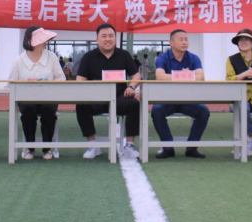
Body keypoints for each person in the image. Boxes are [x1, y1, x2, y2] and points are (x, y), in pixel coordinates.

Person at [76, 24, 141, 159]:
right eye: (104, 36)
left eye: (111, 36)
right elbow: (80, 79)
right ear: (97, 39)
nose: (108, 39)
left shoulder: (124, 55)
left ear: (115, 38)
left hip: (119, 97)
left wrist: (131, 87)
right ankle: (93, 145)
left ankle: (129, 145)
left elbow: (136, 75)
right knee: (81, 105)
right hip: (96, 98)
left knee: (134, 104)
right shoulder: (88, 57)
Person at [9, 26, 65, 160]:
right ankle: (30, 148)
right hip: (27, 99)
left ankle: (47, 149)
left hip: (48, 98)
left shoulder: (52, 57)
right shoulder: (19, 60)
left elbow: (61, 78)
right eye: (42, 39)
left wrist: (50, 86)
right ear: (31, 41)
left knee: (48, 112)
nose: (45, 42)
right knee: (28, 113)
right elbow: (11, 83)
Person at [152, 29, 209, 159]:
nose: (185, 42)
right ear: (171, 43)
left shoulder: (194, 58)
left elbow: (200, 77)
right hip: (167, 100)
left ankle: (192, 147)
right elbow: (160, 76)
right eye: (181, 39)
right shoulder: (162, 58)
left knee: (203, 111)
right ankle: (168, 147)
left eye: (186, 39)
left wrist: (181, 76)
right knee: (156, 110)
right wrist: (184, 75)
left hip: (188, 100)